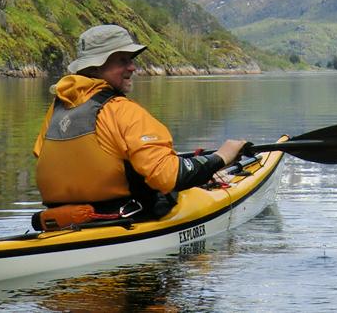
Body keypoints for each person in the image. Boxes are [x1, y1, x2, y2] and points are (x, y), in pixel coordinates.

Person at [33, 24, 246, 218]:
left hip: (63, 221)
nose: (132, 67)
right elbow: (169, 177)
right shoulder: (122, 110)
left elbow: (58, 158)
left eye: (131, 60)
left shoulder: (58, 109)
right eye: (122, 61)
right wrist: (221, 156)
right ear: (95, 68)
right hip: (126, 219)